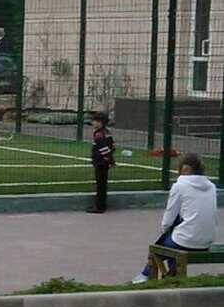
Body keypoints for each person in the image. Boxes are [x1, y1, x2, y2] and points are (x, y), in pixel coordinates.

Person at [130, 153, 218, 282]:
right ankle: (171, 276)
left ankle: (145, 276)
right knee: (175, 235)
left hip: (186, 240)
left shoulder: (179, 186)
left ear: (184, 169)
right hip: (208, 239)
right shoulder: (211, 186)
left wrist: (164, 230)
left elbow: (169, 217)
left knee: (161, 247)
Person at [88, 112, 115, 213]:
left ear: (100, 123)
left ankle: (99, 206)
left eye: (95, 121)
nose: (93, 123)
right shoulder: (106, 132)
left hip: (100, 162)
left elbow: (103, 149)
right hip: (104, 162)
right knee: (102, 184)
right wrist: (110, 159)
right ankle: (101, 204)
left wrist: (108, 159)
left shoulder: (99, 134)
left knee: (100, 184)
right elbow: (112, 146)